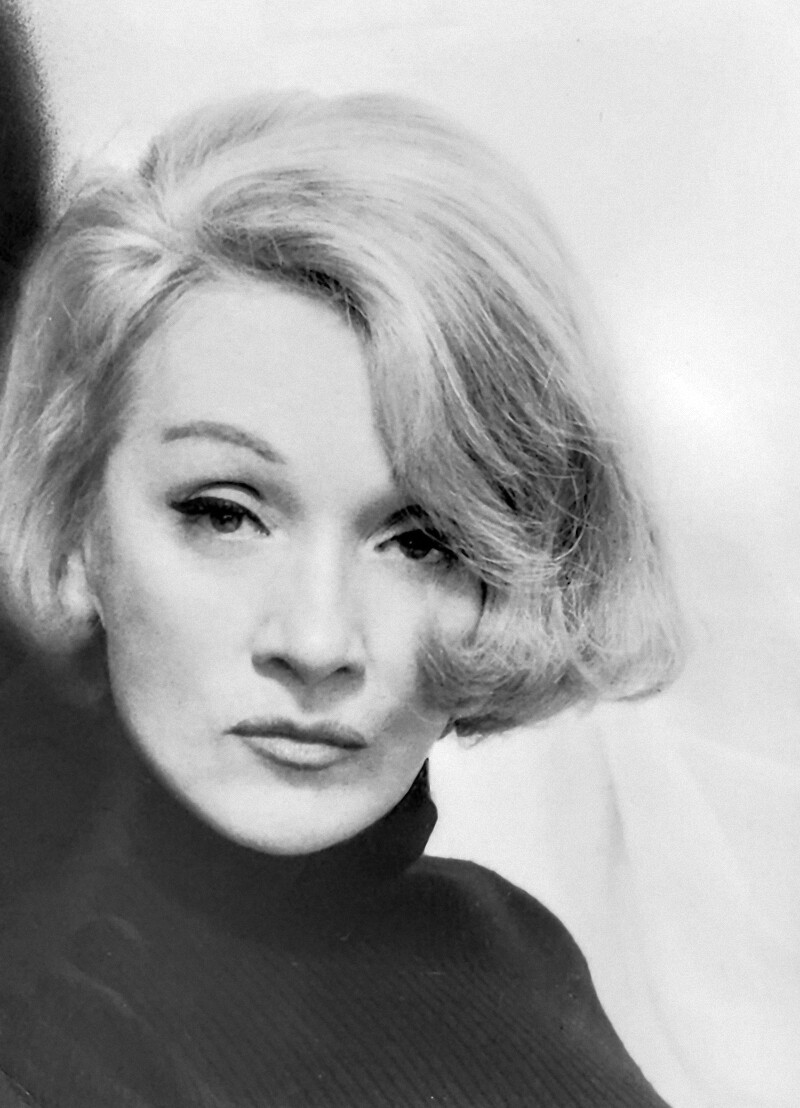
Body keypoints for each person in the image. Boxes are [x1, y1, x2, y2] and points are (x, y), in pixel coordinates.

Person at [0, 90, 681, 1107]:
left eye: (421, 540)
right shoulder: (41, 1027)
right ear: (74, 526)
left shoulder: (504, 951)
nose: (317, 641)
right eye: (224, 514)